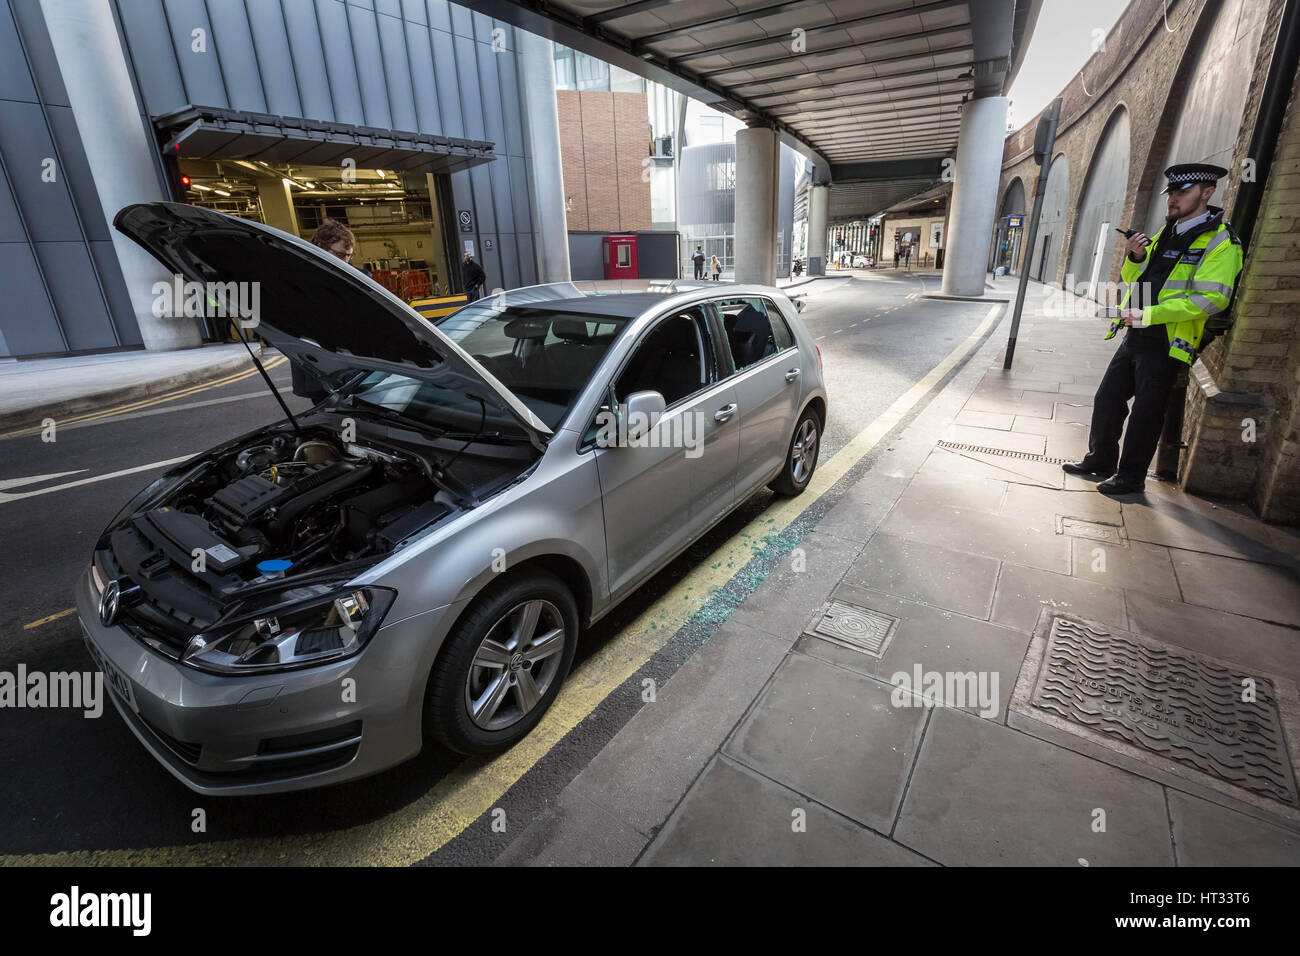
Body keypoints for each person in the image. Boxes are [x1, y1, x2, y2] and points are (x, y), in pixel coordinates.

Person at [1063, 163, 1245, 495]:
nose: (1173, 199)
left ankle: (1130, 478)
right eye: (1171, 193)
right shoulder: (1167, 233)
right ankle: (1100, 460)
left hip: (1168, 340)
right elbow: (1138, 281)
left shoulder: (1221, 240)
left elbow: (1212, 299)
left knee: (1146, 412)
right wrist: (1134, 257)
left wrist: (1151, 315)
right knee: (1107, 398)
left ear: (1207, 193)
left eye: (1182, 192)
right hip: (1137, 333)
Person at [290, 219, 357, 401]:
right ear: (320, 246)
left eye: (349, 256)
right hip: (318, 369)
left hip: (351, 369)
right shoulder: (298, 280)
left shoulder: (357, 280)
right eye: (340, 255)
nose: (345, 261)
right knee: (330, 417)